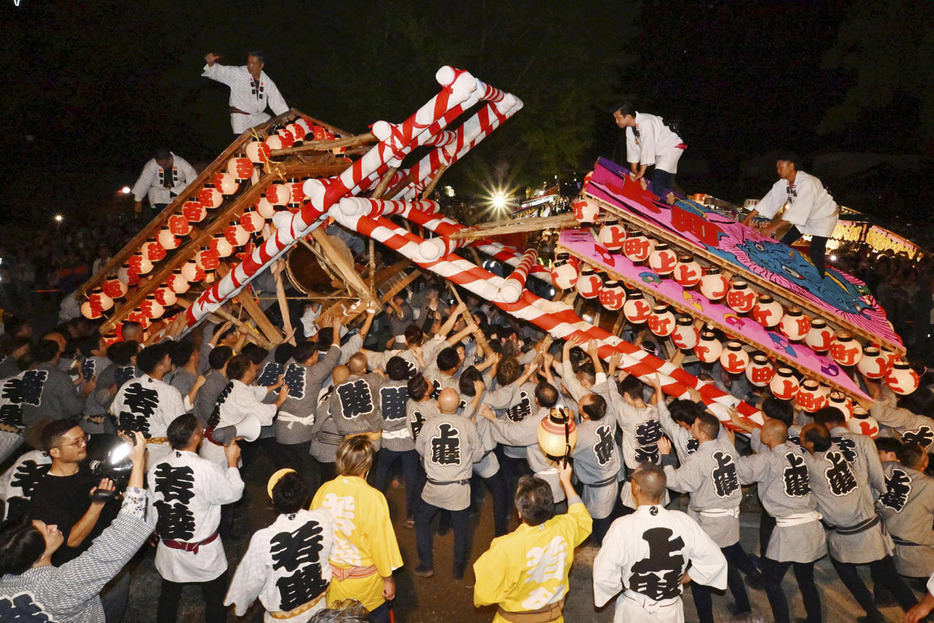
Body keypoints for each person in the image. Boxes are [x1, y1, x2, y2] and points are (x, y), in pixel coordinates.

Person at [0, 430, 151, 623]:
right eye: (47, 531)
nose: (54, 526)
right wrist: (138, 461)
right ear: (38, 554)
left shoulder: (6, 585)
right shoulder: (62, 587)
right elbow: (125, 531)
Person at [798, 422, 917, 622]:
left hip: (851, 532)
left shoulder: (812, 465)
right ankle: (918, 613)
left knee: (846, 570)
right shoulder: (840, 450)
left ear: (809, 443)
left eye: (802, 436)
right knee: (892, 579)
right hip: (870, 523)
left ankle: (874, 613)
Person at [593, 463, 728, 623]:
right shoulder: (684, 522)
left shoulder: (622, 526)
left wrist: (619, 586)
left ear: (635, 488)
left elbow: (603, 574)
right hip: (670, 610)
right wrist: (689, 576)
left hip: (634, 609)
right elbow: (715, 560)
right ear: (663, 491)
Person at [658, 412, 761, 622]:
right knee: (728, 562)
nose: (691, 427)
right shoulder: (727, 445)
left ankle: (707, 619)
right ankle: (744, 605)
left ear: (702, 434)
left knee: (698, 573)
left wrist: (667, 456)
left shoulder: (698, 458)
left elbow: (676, 482)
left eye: (694, 425)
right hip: (731, 521)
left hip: (711, 525)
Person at [150, 413, 244, 623]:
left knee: (168, 599)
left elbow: (153, 505)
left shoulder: (156, 467)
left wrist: (151, 530)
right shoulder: (207, 468)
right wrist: (231, 462)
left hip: (170, 549)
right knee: (215, 600)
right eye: (199, 431)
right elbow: (233, 493)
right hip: (204, 552)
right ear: (194, 438)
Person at [472, 461, 592, 623]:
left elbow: (485, 595)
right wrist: (566, 481)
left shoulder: (505, 547)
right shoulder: (564, 529)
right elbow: (582, 519)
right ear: (550, 507)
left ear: (520, 512)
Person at [735, 419, 826, 623]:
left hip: (790, 531)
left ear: (767, 437)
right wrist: (744, 425)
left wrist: (730, 443)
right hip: (811, 526)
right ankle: (815, 619)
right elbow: (770, 442)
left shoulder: (766, 460)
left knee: (772, 581)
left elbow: (740, 470)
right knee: (806, 579)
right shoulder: (798, 451)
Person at [310, 436, 403, 623]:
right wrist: (388, 579)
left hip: (333, 580)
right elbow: (380, 544)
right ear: (367, 465)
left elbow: (314, 536)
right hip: (365, 585)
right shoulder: (373, 497)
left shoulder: (324, 491)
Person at [226, 469, 335, 621]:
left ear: (274, 503)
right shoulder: (324, 518)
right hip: (318, 610)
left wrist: (241, 607)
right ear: (305, 496)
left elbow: (251, 581)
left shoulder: (263, 539)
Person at [413, 387, 484, 580]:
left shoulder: (428, 425)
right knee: (461, 531)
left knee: (421, 521)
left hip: (433, 487)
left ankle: (426, 564)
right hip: (459, 489)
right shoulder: (468, 424)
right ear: (458, 405)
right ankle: (458, 571)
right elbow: (478, 454)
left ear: (438, 405)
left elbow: (420, 449)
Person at [741, 154, 839, 278]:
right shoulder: (784, 183)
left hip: (824, 217)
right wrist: (747, 219)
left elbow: (797, 211)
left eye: (781, 167)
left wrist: (771, 228)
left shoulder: (808, 183)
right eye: (777, 168)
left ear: (791, 166)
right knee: (783, 242)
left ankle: (820, 279)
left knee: (816, 252)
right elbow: (768, 200)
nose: (778, 171)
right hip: (807, 217)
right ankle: (780, 269)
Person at [110, 342, 187, 461]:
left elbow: (114, 412)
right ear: (159, 366)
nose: (170, 359)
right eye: (167, 357)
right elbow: (179, 428)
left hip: (127, 449)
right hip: (156, 454)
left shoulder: (128, 384)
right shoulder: (169, 392)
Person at [202, 51, 289, 135]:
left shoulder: (267, 81)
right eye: (249, 62)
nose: (250, 66)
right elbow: (222, 72)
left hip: (258, 117)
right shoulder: (239, 73)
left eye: (253, 64)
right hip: (240, 119)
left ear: (261, 65)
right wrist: (211, 64)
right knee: (244, 144)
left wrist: (288, 120)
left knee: (276, 127)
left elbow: (278, 103)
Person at [613, 102, 686, 202]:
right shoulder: (630, 128)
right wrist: (634, 170)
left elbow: (648, 146)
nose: (616, 121)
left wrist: (641, 171)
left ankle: (656, 205)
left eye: (619, 118)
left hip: (671, 146)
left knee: (658, 177)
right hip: (660, 149)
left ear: (628, 116)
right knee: (665, 181)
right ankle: (677, 200)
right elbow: (633, 149)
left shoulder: (646, 122)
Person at [130, 149, 197, 222]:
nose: (162, 167)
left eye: (164, 164)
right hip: (159, 194)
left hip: (178, 190)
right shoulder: (151, 165)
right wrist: (138, 200)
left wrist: (191, 196)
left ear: (170, 159)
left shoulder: (182, 163)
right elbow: (144, 181)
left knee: (182, 215)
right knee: (164, 218)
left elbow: (192, 179)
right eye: (160, 165)